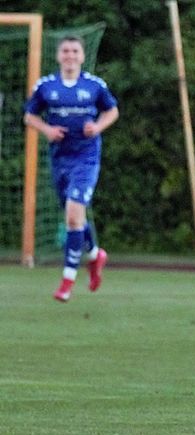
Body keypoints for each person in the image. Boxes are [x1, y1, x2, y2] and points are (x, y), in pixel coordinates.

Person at [24, 36, 118, 302]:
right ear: (58, 56)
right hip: (60, 160)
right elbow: (29, 116)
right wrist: (47, 130)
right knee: (75, 217)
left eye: (75, 51)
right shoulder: (46, 86)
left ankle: (67, 281)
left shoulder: (94, 85)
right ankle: (95, 255)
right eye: (65, 51)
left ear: (82, 56)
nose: (70, 55)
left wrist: (97, 127)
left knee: (73, 217)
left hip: (86, 159)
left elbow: (112, 111)